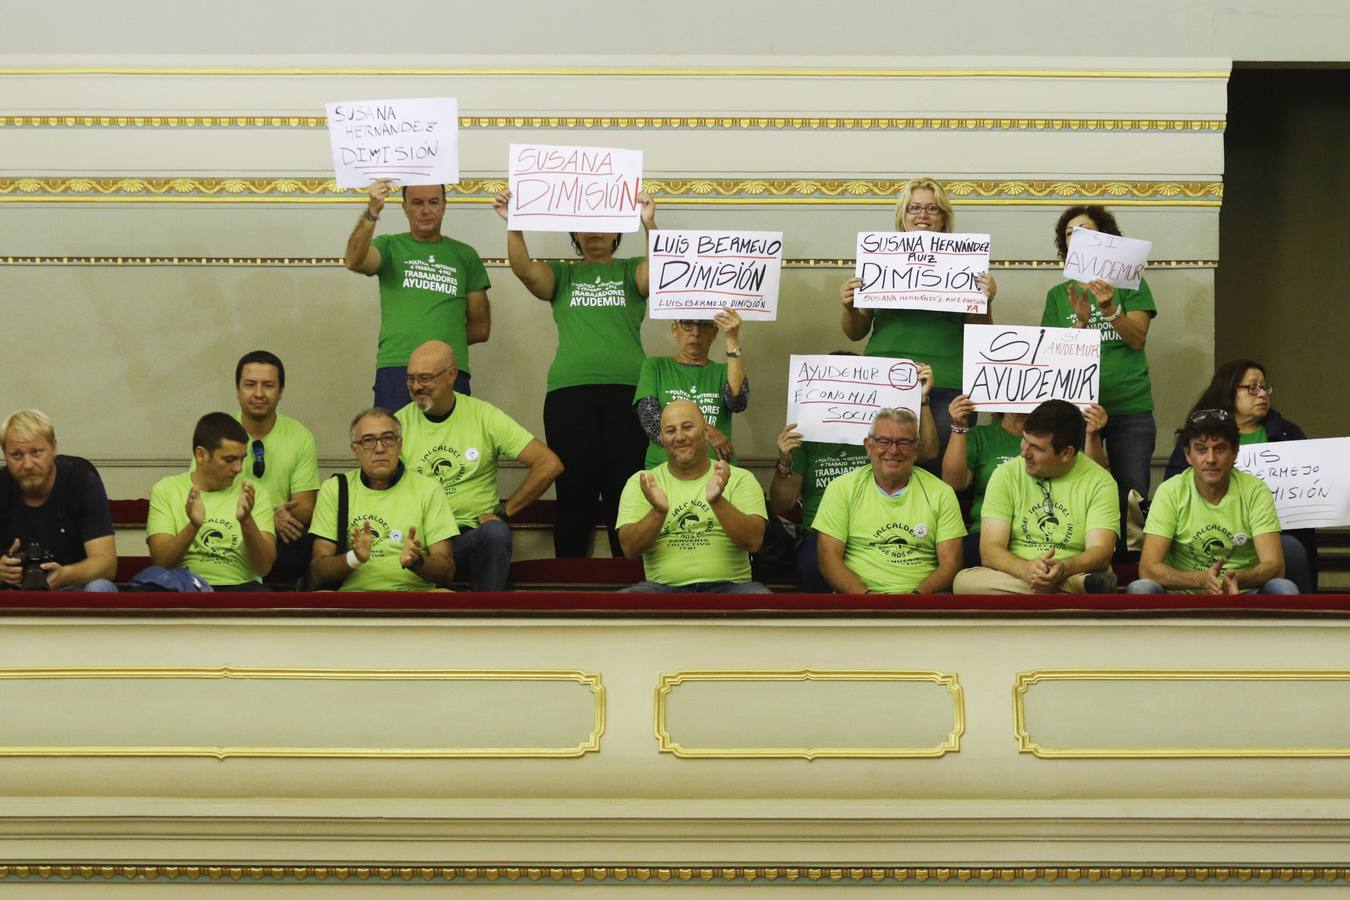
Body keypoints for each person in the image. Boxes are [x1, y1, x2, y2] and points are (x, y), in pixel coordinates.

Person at [494, 189, 655, 558]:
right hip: (569, 394)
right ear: (575, 234)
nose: (594, 231)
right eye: (585, 225)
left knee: (625, 488)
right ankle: (569, 576)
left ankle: (626, 578)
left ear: (617, 231)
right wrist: (514, 224)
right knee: (573, 488)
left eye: (604, 223)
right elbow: (524, 270)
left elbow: (655, 275)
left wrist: (650, 224)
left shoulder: (630, 270)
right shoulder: (562, 275)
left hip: (628, 392)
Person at [838, 177, 997, 465]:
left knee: (939, 469)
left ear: (944, 218)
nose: (922, 214)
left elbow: (980, 337)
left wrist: (985, 301)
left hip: (947, 382)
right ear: (903, 215)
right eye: (914, 208)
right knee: (884, 464)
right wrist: (849, 307)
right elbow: (855, 332)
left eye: (932, 208)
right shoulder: (880, 258)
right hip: (881, 376)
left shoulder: (966, 263)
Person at [396, 341, 563, 591]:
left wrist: (505, 511)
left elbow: (549, 464)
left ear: (451, 375)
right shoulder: (397, 424)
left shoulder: (483, 416)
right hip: (421, 540)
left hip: (470, 535)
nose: (417, 387)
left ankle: (487, 617)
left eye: (426, 378)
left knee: (496, 532)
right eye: (411, 379)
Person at [770, 360, 940, 591]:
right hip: (822, 532)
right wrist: (784, 461)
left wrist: (922, 399)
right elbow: (781, 506)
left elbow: (927, 451)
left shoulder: (881, 441)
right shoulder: (806, 439)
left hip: (877, 529)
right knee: (813, 564)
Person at [1042, 205, 1157, 541]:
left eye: (1086, 231)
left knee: (1131, 491)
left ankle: (1132, 569)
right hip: (1075, 411)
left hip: (1129, 407)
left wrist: (1108, 308)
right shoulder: (1056, 295)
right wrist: (1079, 320)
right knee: (1077, 490)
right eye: (1069, 233)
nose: (1077, 238)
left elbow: (1136, 339)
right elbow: (1052, 356)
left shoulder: (1131, 285)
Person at [1164, 359, 1316, 592]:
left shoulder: (1288, 432)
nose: (1262, 394)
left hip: (1273, 532)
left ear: (1234, 452)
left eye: (1265, 387)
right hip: (1202, 532)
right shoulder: (1198, 433)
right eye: (1252, 388)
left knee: (1291, 548)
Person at [344, 178, 491, 409]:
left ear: (444, 205)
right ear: (404, 207)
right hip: (397, 366)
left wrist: (436, 348)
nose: (425, 210)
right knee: (393, 442)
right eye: (417, 202)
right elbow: (354, 261)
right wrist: (372, 210)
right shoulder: (390, 246)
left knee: (451, 443)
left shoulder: (466, 255)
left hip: (449, 370)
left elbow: (481, 327)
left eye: (433, 202)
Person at [953, 399, 1119, 594]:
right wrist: (1026, 570)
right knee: (964, 583)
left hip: (1072, 567)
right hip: (1017, 572)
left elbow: (1100, 552)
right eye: (1025, 440)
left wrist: (1063, 567)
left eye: (1037, 448)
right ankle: (1071, 586)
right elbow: (990, 551)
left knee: (967, 583)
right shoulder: (1005, 474)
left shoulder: (1101, 482)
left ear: (1066, 453)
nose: (1024, 453)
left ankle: (1066, 583)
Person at [1130, 409, 1296, 595]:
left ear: (1234, 453)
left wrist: (1237, 579)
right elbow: (1147, 568)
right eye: (1201, 449)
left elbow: (1275, 566)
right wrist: (1199, 580)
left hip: (1243, 592)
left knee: (1284, 589)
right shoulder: (1170, 491)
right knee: (1141, 588)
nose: (1210, 459)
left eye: (1220, 449)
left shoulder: (1255, 490)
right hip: (1184, 594)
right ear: (1187, 455)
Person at [616, 401, 769, 593]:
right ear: (662, 439)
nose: (679, 437)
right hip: (661, 589)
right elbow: (629, 549)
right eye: (670, 431)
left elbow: (754, 541)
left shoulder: (739, 478)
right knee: (621, 604)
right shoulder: (643, 482)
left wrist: (717, 501)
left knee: (762, 599)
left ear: (706, 432)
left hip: (731, 587)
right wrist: (658, 512)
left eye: (687, 427)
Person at [813, 408, 965, 595]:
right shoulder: (841, 489)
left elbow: (951, 562)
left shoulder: (941, 492)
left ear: (916, 450)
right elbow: (828, 557)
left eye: (904, 443)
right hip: (857, 600)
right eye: (884, 441)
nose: (893, 450)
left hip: (925, 601)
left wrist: (917, 598)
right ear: (868, 446)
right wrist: (867, 599)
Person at [310, 408, 458, 591]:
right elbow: (318, 571)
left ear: (400, 444)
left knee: (445, 596)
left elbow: (446, 571)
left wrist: (416, 561)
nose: (380, 449)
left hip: (416, 598)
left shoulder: (428, 489)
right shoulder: (336, 489)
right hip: (352, 599)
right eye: (368, 441)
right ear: (355, 450)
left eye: (388, 438)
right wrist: (354, 558)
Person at [147, 413, 276, 591]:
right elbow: (162, 563)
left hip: (241, 588)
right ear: (201, 455)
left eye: (242, 459)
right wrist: (193, 525)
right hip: (186, 587)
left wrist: (247, 521)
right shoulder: (167, 489)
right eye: (229, 460)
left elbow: (263, 568)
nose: (239, 468)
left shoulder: (254, 494)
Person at [0, 409, 117, 592]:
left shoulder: (80, 479)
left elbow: (107, 564)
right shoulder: (2, 485)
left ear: (54, 447)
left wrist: (65, 574)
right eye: (16, 455)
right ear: (5, 455)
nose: (28, 464)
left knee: (101, 587)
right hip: (11, 589)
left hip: (72, 584)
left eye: (36, 452)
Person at [230, 350, 319, 584]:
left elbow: (306, 506)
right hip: (230, 526)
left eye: (268, 385)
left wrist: (271, 522)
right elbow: (202, 493)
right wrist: (267, 517)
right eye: (250, 385)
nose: (259, 394)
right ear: (237, 390)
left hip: (281, 534)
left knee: (297, 546)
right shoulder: (219, 432)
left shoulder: (300, 436)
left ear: (280, 392)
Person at [634, 309, 748, 469]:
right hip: (664, 470)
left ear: (714, 334)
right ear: (675, 330)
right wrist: (707, 431)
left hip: (718, 471)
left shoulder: (725, 371)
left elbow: (738, 402)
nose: (696, 332)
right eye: (687, 324)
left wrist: (732, 337)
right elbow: (650, 420)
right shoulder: (655, 366)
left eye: (704, 325)